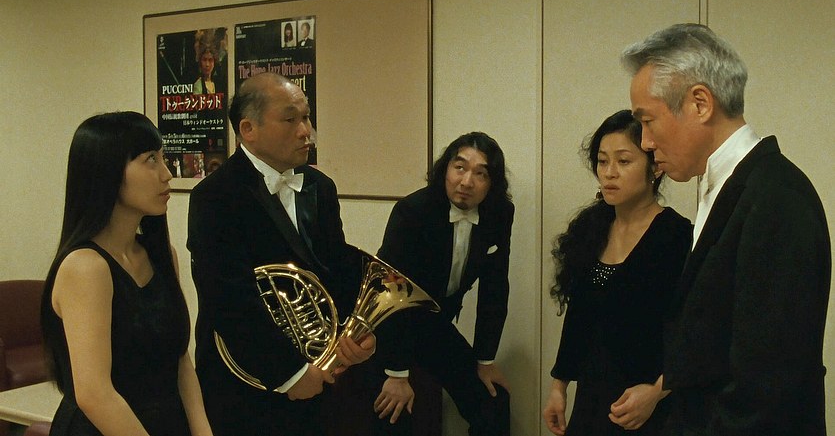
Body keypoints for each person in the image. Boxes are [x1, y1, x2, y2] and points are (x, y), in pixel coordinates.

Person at [622, 23, 831, 435]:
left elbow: (767, 388)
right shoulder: (727, 185)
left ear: (700, 103)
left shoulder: (776, 197)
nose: (645, 141)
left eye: (648, 121)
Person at [187, 72, 375, 436]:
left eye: (307, 117)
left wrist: (359, 332)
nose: (307, 132)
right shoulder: (214, 196)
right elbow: (227, 298)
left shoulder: (320, 187)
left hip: (316, 375)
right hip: (246, 385)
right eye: (290, 120)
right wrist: (290, 373)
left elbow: (336, 269)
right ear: (248, 129)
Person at [39, 111, 213, 436]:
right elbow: (94, 395)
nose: (166, 174)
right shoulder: (86, 267)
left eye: (163, 158)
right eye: (150, 160)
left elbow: (179, 361)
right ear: (107, 172)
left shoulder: (161, 256)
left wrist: (203, 430)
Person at [542, 110, 692, 435]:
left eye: (623, 161)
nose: (609, 173)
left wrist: (657, 391)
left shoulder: (677, 237)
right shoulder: (591, 227)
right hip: (592, 399)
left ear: (654, 167)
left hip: (647, 404)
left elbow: (693, 331)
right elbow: (579, 315)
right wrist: (559, 385)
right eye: (602, 161)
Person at [369, 132, 513, 436]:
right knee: (394, 411)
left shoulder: (499, 214)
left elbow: (495, 289)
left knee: (493, 401)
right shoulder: (413, 210)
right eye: (459, 167)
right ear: (445, 169)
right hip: (391, 325)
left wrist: (485, 359)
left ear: (492, 183)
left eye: (481, 173)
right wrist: (397, 373)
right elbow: (388, 290)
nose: (466, 182)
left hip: (435, 324)